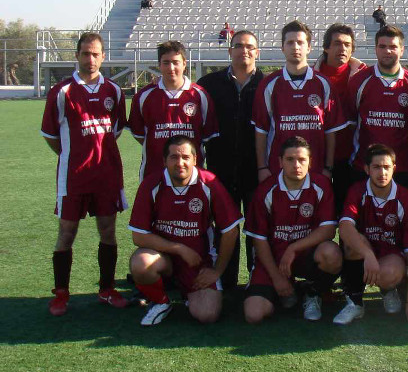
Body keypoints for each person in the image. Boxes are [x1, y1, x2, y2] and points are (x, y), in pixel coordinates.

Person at [41, 32, 129, 315]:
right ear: (77, 56)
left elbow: (115, 131)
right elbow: (51, 135)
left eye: (95, 54)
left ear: (103, 57)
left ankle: (106, 289)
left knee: (108, 231)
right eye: (85, 54)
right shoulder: (62, 92)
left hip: (106, 175)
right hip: (74, 176)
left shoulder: (113, 91)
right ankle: (61, 293)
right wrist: (72, 154)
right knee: (67, 233)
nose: (90, 59)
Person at [128, 135, 241, 326]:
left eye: (185, 157)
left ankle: (189, 294)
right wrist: (179, 248)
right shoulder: (151, 184)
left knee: (207, 315)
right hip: (164, 258)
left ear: (195, 159)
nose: (180, 163)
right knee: (141, 263)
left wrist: (217, 271)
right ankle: (161, 302)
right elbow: (138, 236)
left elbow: (231, 230)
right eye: (174, 157)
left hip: (199, 262)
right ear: (164, 160)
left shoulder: (209, 183)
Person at [243, 137, 342, 323]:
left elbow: (328, 230)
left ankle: (312, 292)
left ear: (310, 162)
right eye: (290, 159)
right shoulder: (265, 190)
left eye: (302, 160)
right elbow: (259, 239)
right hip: (273, 260)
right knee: (253, 314)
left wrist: (293, 248)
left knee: (332, 254)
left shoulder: (321, 185)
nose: (296, 165)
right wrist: (276, 278)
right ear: (280, 162)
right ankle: (286, 288)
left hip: (305, 256)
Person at [196, 30, 265, 289]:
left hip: (256, 170)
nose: (244, 51)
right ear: (229, 51)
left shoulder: (268, 84)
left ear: (257, 52)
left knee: (257, 227)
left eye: (249, 46)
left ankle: (256, 279)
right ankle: (225, 280)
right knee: (225, 226)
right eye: (238, 46)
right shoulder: (208, 84)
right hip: (220, 170)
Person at [333, 144, 408, 325]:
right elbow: (345, 227)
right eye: (376, 167)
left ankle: (388, 289)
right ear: (367, 169)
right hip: (365, 253)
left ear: (394, 168)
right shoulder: (357, 190)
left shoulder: (405, 197)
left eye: (386, 167)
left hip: (391, 255)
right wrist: (368, 254)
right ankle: (355, 302)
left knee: (391, 272)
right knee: (352, 243)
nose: (382, 173)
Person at [253, 20, 348, 182]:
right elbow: (261, 130)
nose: (295, 47)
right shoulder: (269, 84)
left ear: (309, 47)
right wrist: (262, 167)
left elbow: (330, 131)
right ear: (282, 48)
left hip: (316, 170)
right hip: (278, 171)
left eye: (300, 42)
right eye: (290, 43)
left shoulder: (323, 83)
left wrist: (328, 167)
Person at [129, 40, 219, 181]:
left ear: (184, 63)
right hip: (154, 174)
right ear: (159, 65)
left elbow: (207, 135)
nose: (171, 68)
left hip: (192, 176)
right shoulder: (144, 96)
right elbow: (139, 134)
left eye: (176, 62)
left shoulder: (200, 95)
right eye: (166, 63)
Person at [344, 25, 408, 193]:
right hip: (364, 166)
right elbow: (351, 123)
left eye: (393, 46)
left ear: (402, 50)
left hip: (403, 166)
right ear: (376, 49)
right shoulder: (359, 81)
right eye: (382, 46)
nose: (387, 51)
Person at [313, 24, 366, 213]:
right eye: (337, 43)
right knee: (318, 215)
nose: (342, 49)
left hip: (352, 160)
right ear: (326, 47)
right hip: (317, 160)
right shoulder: (310, 77)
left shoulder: (363, 77)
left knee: (350, 215)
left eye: (347, 44)